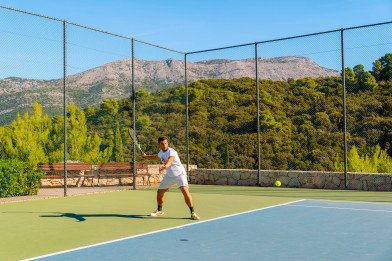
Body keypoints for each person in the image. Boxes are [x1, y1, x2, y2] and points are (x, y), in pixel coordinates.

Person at [142, 137, 200, 220]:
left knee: (185, 191)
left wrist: (166, 166)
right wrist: (146, 156)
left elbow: (170, 160)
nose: (164, 145)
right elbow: (156, 157)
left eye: (166, 143)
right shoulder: (161, 152)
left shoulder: (172, 152)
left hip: (180, 174)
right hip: (169, 176)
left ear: (167, 143)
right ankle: (159, 210)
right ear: (159, 145)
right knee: (159, 192)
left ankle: (193, 213)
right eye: (162, 144)